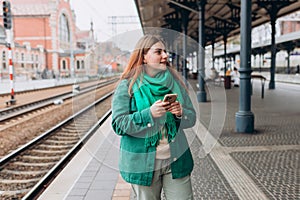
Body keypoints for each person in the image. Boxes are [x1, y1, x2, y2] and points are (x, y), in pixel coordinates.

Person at [111, 35, 196, 200]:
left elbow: (191, 117)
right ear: (143, 57)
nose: (165, 56)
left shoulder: (175, 82)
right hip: (142, 164)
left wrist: (180, 113)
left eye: (165, 52)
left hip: (176, 159)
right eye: (158, 52)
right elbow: (118, 124)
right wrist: (148, 114)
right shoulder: (127, 85)